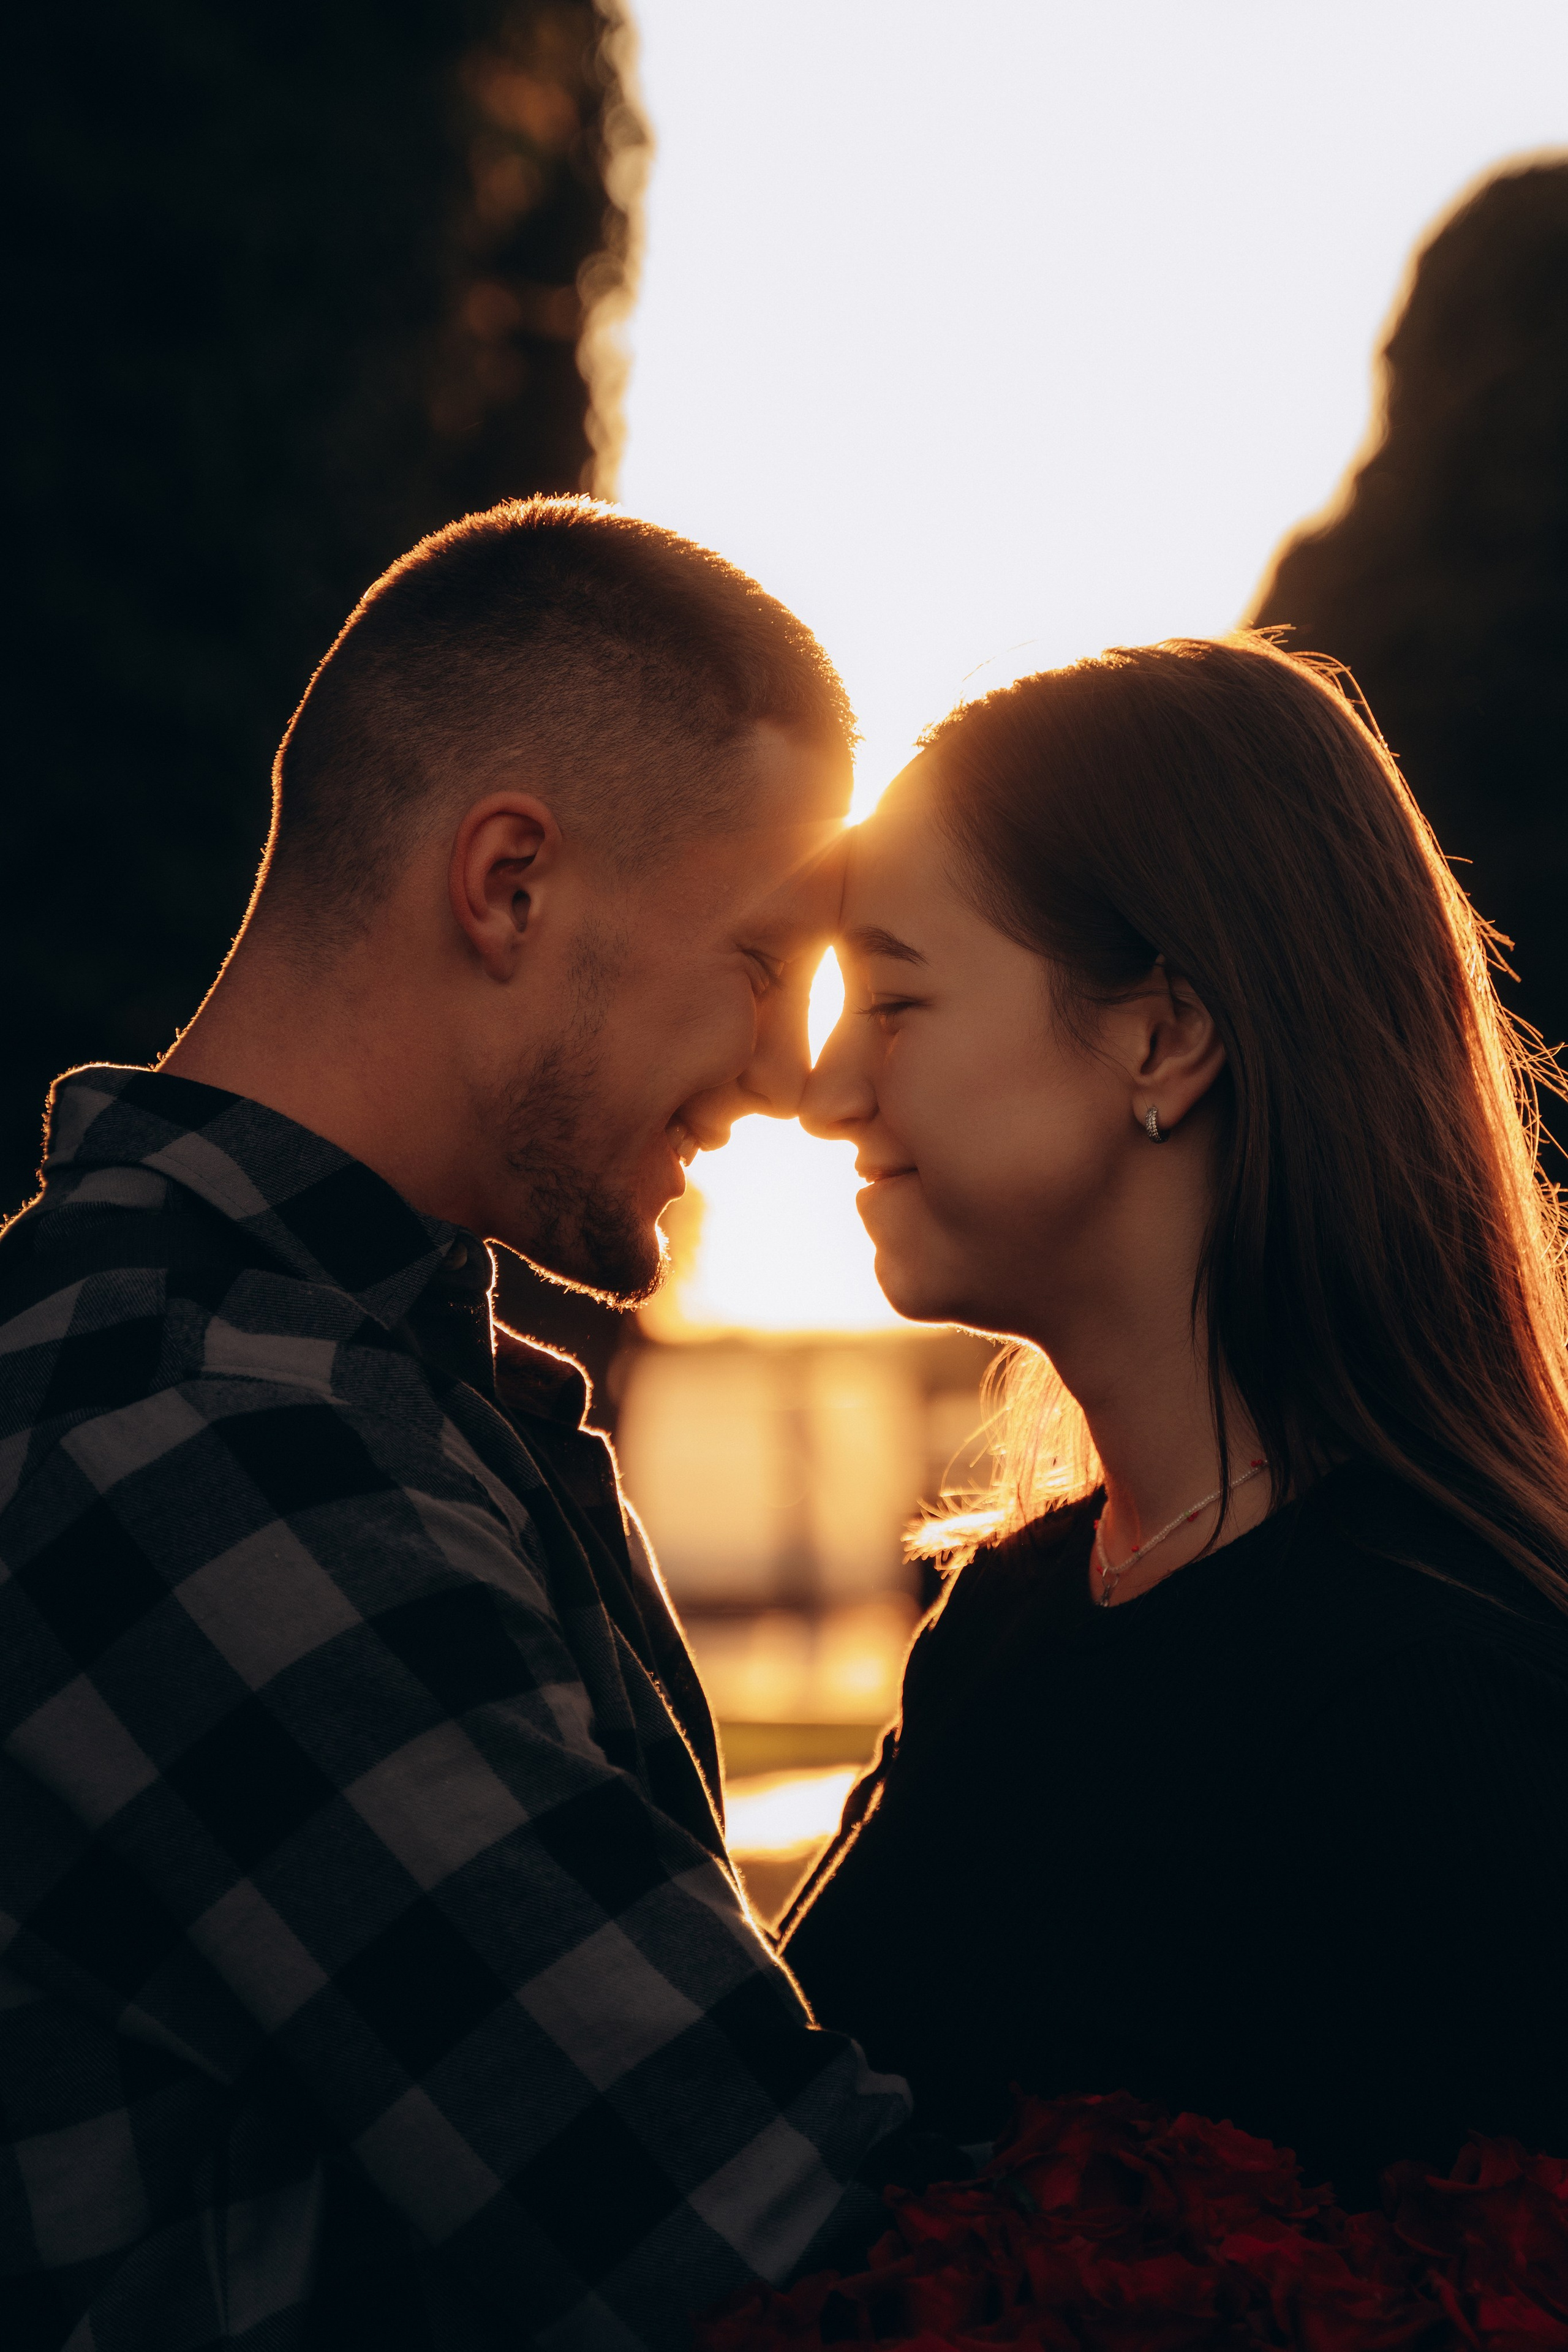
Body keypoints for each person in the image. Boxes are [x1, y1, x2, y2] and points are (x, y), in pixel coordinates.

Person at [0, 499, 949, 2352]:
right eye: (763, 956)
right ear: (509, 881)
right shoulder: (202, 1433)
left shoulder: (341, 1384)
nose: (790, 1071)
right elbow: (750, 2241)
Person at [783, 633, 1568, 2212]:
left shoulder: (1442, 1697)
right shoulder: (1010, 1616)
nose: (820, 1090)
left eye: (893, 997)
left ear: (1161, 1037)